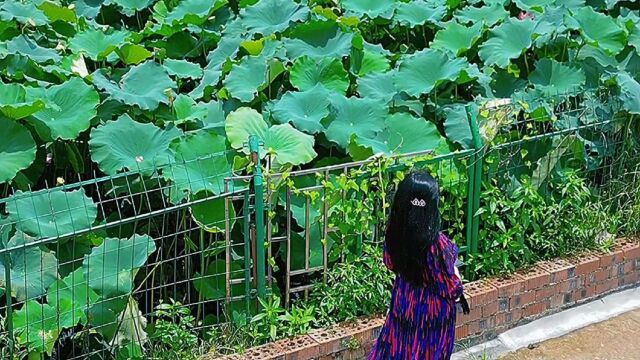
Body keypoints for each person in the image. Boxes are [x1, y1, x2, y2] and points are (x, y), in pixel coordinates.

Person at [369, 171, 469, 360]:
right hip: (432, 317)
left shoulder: (394, 233)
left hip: (404, 303)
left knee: (398, 350)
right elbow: (450, 287)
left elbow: (390, 262)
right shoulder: (438, 245)